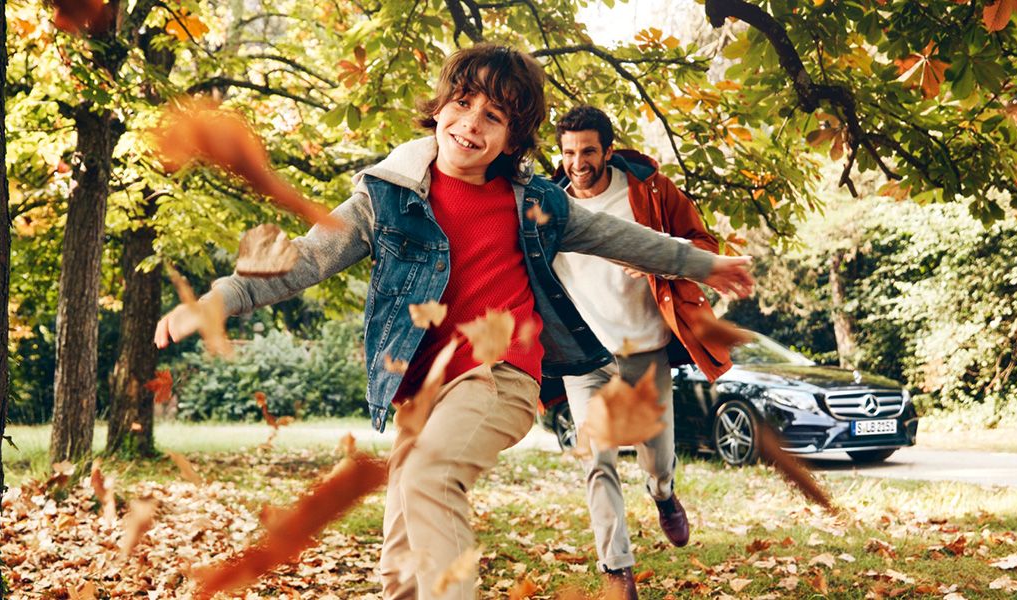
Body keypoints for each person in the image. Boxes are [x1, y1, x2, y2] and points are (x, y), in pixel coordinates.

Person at [153, 44, 755, 600]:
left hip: (501, 376)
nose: (471, 124)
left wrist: (706, 264)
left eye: (493, 118)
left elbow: (624, 238)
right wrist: (219, 299)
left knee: (431, 478)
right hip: (421, 393)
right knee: (400, 561)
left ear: (513, 139)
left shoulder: (536, 202)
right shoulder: (383, 196)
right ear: (438, 108)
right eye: (463, 105)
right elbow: (306, 259)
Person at [551, 105, 733, 599]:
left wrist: (660, 255)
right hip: (585, 356)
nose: (578, 162)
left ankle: (664, 496)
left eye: (588, 150)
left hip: (644, 347)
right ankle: (616, 568)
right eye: (569, 152)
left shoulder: (650, 192)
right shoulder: (548, 209)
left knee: (658, 460)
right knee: (596, 459)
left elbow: (703, 243)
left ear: (608, 150)